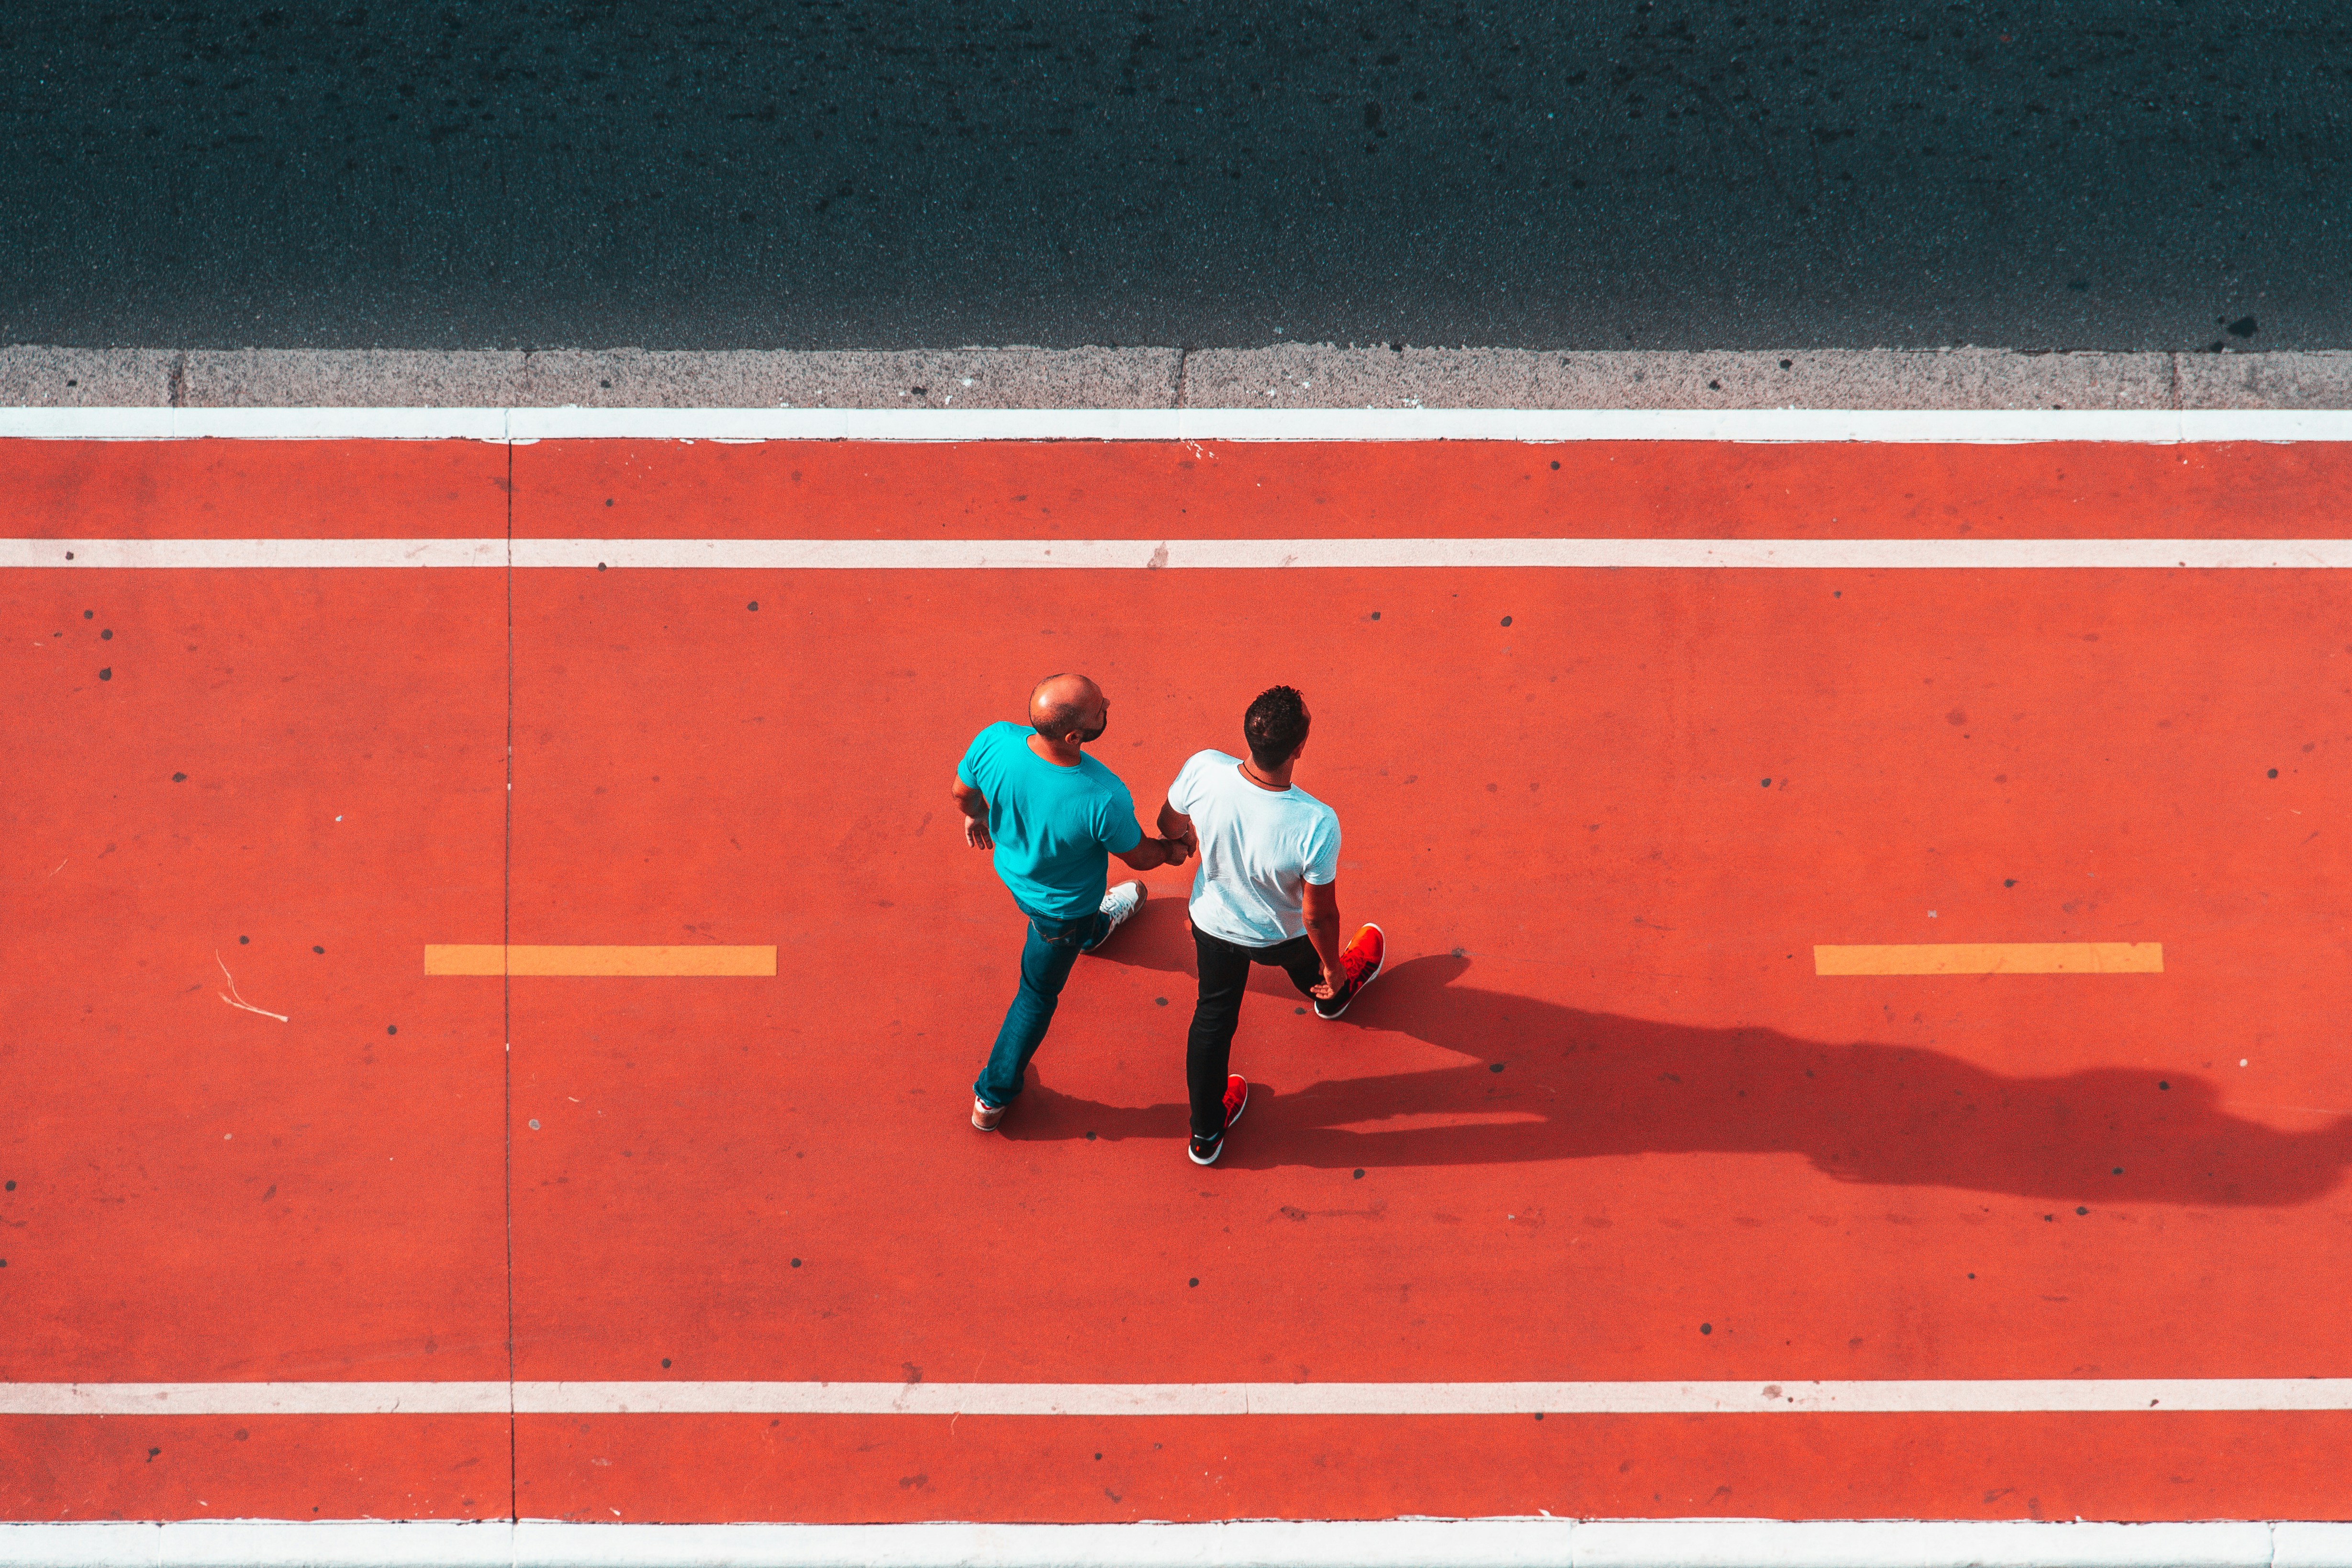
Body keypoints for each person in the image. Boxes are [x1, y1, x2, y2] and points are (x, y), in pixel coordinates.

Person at [1157, 685, 1384, 1166]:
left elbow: (1170, 823)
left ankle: (1205, 1134)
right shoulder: (1315, 822)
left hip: (1212, 926)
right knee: (1315, 971)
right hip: (1280, 936)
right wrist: (1334, 967)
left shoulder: (1203, 767)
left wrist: (1183, 841)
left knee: (1213, 1018)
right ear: (1298, 748)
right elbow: (1317, 916)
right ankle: (1334, 996)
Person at [953, 673, 1190, 1131]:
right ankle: (993, 1094)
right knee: (1035, 996)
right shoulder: (1102, 794)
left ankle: (1094, 931)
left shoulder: (994, 739)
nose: (1109, 703)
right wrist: (1170, 851)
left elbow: (962, 793)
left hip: (1015, 877)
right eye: (1100, 708)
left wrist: (978, 814)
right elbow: (1139, 857)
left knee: (1070, 932)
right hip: (1061, 912)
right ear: (1074, 737)